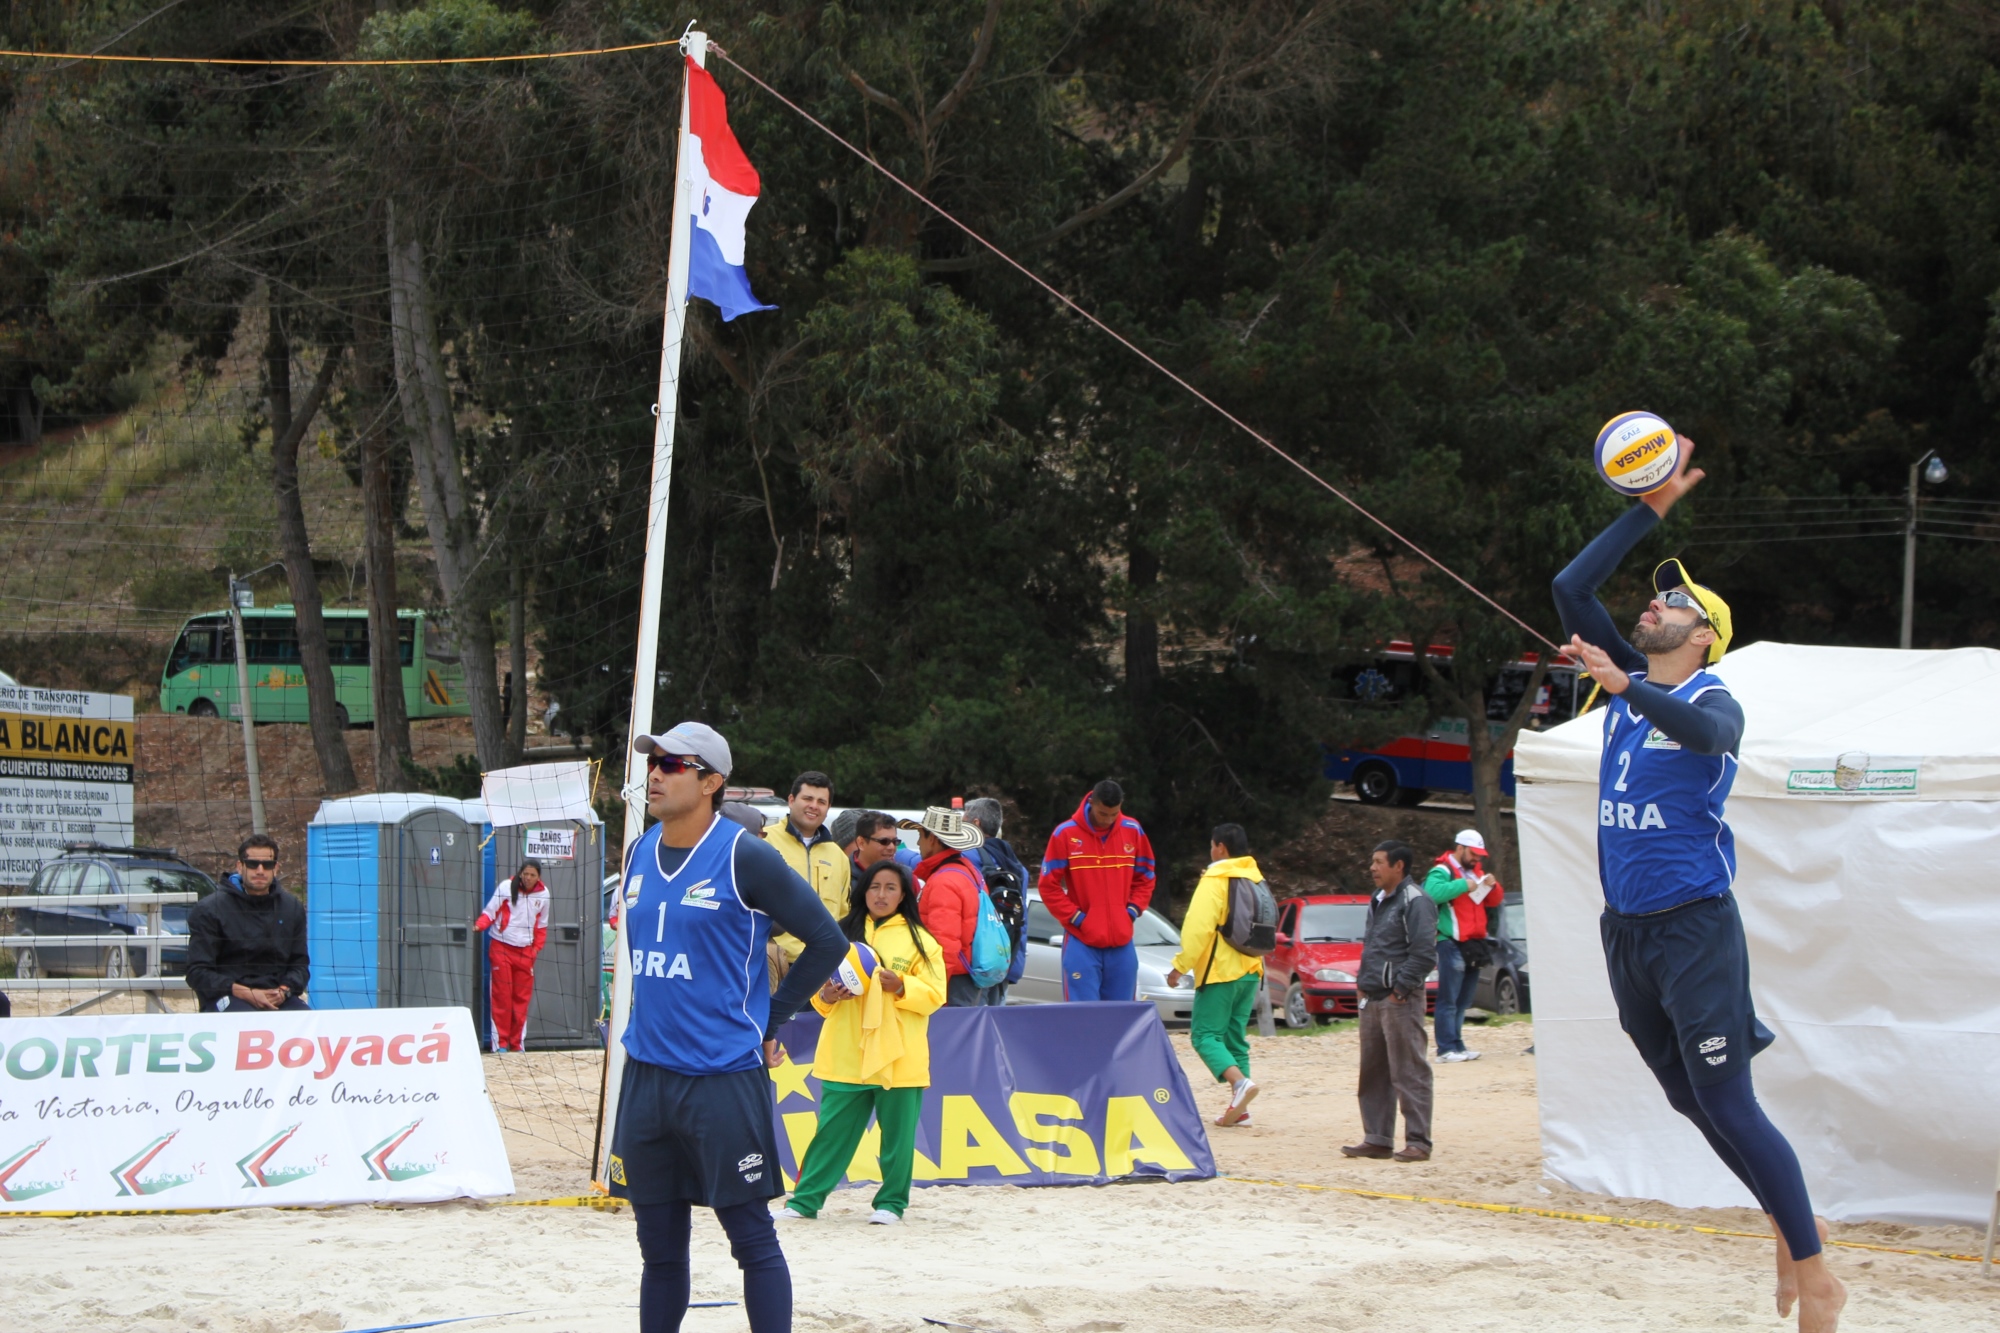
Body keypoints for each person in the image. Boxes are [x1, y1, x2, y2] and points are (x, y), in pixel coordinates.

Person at [1554, 443, 1845, 1332]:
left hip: (1693, 927)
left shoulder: (1714, 694)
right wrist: (1653, 505)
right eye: (1655, 594)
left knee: (1727, 1100)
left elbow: (1710, 738)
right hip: (1627, 932)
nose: (1654, 601)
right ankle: (1788, 1223)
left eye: (1673, 601)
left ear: (1704, 631)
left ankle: (1819, 1271)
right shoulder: (1633, 680)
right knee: (1688, 1099)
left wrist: (1623, 688)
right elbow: (1571, 588)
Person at [609, 721, 846, 1333]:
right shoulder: (638, 850)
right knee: (658, 1252)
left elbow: (826, 941)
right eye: (652, 762)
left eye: (671, 763)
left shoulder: (745, 854)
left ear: (711, 782)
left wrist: (771, 1018)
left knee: (751, 1241)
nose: (655, 772)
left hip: (720, 1080)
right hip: (646, 1078)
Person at [783, 860, 946, 1225]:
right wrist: (827, 995)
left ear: (904, 894)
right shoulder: (839, 934)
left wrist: (902, 985)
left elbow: (936, 995)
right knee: (830, 1134)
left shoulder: (923, 941)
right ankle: (804, 1202)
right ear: (863, 891)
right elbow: (818, 999)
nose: (881, 895)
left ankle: (890, 1204)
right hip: (846, 1051)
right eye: (875, 887)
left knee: (898, 1140)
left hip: (899, 1056)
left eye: (890, 888)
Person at [1166, 824, 1266, 1128]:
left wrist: (1180, 966)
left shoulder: (1215, 880)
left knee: (1204, 1035)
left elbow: (1198, 927)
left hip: (1220, 971)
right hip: (1252, 969)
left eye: (1212, 845)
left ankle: (1240, 1085)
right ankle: (1241, 1111)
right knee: (1235, 1038)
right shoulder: (1256, 878)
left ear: (1220, 847)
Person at [1343, 840, 1436, 1163]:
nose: (1372, 868)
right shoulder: (1377, 899)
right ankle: (1377, 1138)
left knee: (1409, 1070)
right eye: (1372, 861)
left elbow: (1424, 953)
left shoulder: (1416, 900)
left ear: (1399, 866)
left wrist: (1400, 991)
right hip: (1373, 998)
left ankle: (1418, 1141)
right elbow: (1373, 945)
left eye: (1379, 862)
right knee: (1373, 1072)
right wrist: (1363, 985)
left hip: (1401, 1000)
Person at [1037, 779, 1156, 1002]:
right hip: (1082, 941)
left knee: (1122, 1018)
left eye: (1114, 814)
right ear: (1091, 802)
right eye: (1103, 814)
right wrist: (1078, 918)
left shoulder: (1132, 830)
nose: (1109, 820)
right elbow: (1048, 886)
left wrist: (1130, 911)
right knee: (1083, 1017)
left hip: (1122, 943)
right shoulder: (1065, 834)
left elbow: (1146, 876)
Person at [185, 834, 310, 1013]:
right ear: (240, 866)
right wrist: (245, 992)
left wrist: (284, 990)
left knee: (306, 1021)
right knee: (247, 1020)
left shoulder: (291, 907)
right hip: (228, 995)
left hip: (276, 995)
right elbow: (197, 972)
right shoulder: (209, 909)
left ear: (276, 868)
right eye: (252, 864)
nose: (260, 870)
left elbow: (300, 965)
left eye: (267, 865)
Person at [901, 805, 1000, 1007]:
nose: (918, 843)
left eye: (921, 835)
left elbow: (944, 945)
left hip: (951, 984)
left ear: (933, 839)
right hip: (967, 980)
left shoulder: (944, 882)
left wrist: (934, 992)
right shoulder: (969, 871)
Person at [1423, 830, 1503, 1063]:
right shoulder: (1442, 870)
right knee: (1449, 999)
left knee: (1463, 1000)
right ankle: (1445, 1049)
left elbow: (1494, 901)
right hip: (1450, 942)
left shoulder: (1475, 871)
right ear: (1460, 848)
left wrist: (1493, 885)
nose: (1478, 859)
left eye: (1480, 855)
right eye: (1474, 854)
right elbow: (1431, 893)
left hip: (1473, 944)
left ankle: (1457, 1044)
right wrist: (1462, 885)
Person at [765, 772, 850, 965]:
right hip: (773, 962)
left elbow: (843, 915)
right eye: (808, 798)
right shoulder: (764, 842)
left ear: (828, 808)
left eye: (821, 801)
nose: (814, 806)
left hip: (822, 968)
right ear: (791, 800)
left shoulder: (838, 856)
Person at [477, 859, 550, 1052]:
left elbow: (542, 926)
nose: (527, 878)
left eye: (532, 875)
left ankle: (517, 1044)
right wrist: (479, 925)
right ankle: (500, 1044)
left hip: (525, 952)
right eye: (525, 874)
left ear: (538, 877)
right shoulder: (506, 887)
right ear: (520, 873)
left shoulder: (544, 895)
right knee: (502, 997)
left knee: (521, 999)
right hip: (502, 947)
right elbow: (490, 912)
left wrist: (535, 950)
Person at [963, 797, 1031, 998]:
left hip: (975, 963)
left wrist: (901, 852)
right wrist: (1014, 965)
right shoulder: (1017, 867)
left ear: (975, 824)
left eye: (962, 820)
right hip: (1003, 961)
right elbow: (1021, 919)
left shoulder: (967, 858)